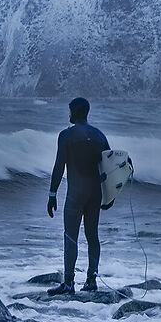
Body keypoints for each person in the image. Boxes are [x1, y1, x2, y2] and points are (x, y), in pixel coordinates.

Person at [46, 96, 110, 293]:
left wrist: (52, 194)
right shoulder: (99, 136)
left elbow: (59, 166)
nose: (68, 114)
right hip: (95, 193)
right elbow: (111, 166)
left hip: (76, 193)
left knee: (70, 236)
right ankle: (91, 280)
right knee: (92, 236)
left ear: (74, 111)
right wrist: (110, 196)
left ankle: (68, 283)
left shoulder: (66, 135)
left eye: (70, 110)